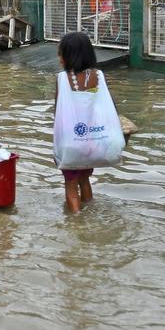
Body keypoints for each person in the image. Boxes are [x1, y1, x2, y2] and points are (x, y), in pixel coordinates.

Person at [54, 32, 102, 213]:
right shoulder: (98, 76)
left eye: (61, 53)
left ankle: (76, 221)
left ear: (69, 56)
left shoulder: (62, 79)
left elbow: (58, 110)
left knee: (71, 184)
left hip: (70, 141)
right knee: (84, 180)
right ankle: (90, 211)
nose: (59, 58)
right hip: (90, 140)